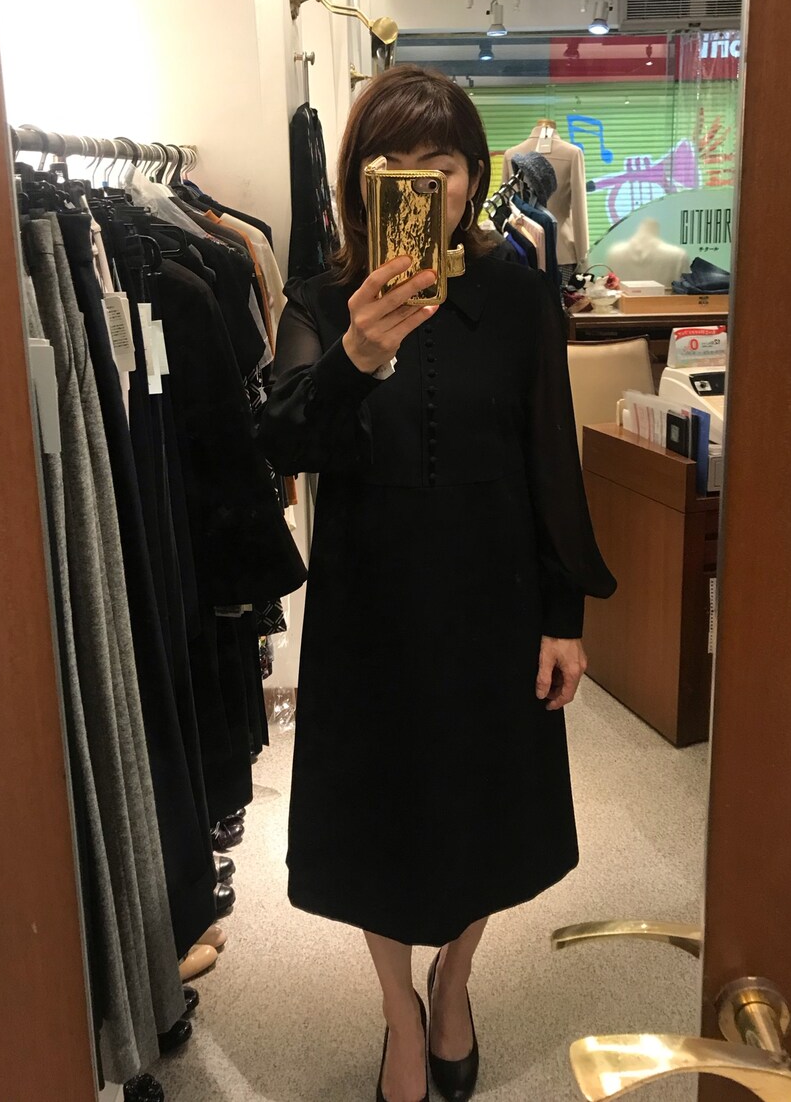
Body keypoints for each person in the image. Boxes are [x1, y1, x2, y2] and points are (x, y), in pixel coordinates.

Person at [257, 66, 616, 1102]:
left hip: (492, 599)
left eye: (442, 165)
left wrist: (562, 614)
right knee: (378, 818)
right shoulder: (319, 296)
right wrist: (356, 351)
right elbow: (280, 439)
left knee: (482, 809)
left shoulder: (516, 294)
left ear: (473, 177)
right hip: (367, 606)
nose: (423, 183)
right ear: (358, 180)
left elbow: (551, 454)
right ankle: (397, 1010)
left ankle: (453, 982)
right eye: (394, 164)